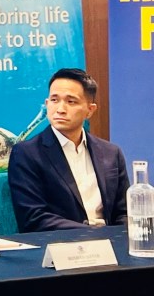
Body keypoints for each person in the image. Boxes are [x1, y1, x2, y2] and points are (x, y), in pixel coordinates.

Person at [8, 67, 128, 232]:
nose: (60, 109)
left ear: (90, 110)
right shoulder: (26, 153)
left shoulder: (111, 153)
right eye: (54, 100)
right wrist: (93, 233)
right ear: (47, 104)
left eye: (71, 102)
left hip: (111, 242)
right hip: (58, 244)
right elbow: (33, 218)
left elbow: (124, 212)